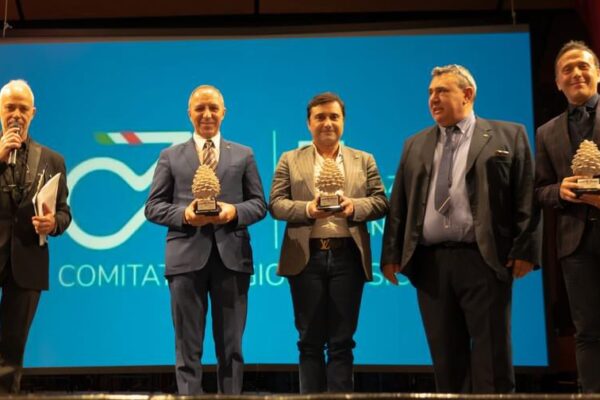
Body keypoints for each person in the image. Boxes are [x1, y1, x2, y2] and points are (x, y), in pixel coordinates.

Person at [381, 65, 541, 393]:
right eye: (430, 92)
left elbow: (527, 195)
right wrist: (391, 254)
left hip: (484, 259)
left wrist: (525, 249)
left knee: (492, 358)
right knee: (446, 360)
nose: (433, 98)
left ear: (467, 95)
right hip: (431, 264)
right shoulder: (414, 144)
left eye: (442, 91)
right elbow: (399, 204)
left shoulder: (508, 135)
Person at [145, 84, 266, 395]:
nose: (207, 114)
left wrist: (232, 212)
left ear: (224, 112)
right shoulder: (170, 156)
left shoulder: (244, 154)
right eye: (200, 108)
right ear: (190, 114)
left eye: (213, 108)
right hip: (185, 261)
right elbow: (153, 207)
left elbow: (259, 204)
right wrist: (185, 215)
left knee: (232, 348)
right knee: (187, 349)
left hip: (232, 260)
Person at [269, 92, 388, 393]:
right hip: (306, 257)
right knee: (309, 342)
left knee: (342, 343)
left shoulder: (364, 159)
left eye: (334, 117)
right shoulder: (289, 159)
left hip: (348, 257)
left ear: (343, 121)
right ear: (309, 123)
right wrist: (308, 209)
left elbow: (380, 201)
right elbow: (276, 204)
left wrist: (353, 207)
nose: (327, 123)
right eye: (320, 117)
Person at [535, 40, 600, 393]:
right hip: (575, 244)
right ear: (558, 82)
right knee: (587, 332)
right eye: (566, 70)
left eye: (583, 66)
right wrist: (559, 190)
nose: (576, 73)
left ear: (598, 73)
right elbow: (538, 189)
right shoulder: (546, 132)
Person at [0, 79, 71, 393]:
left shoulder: (53, 160)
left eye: (23, 108)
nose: (16, 114)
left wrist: (52, 223)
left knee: (12, 348)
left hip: (28, 260)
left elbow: (64, 213)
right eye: (10, 107)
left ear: (33, 113)